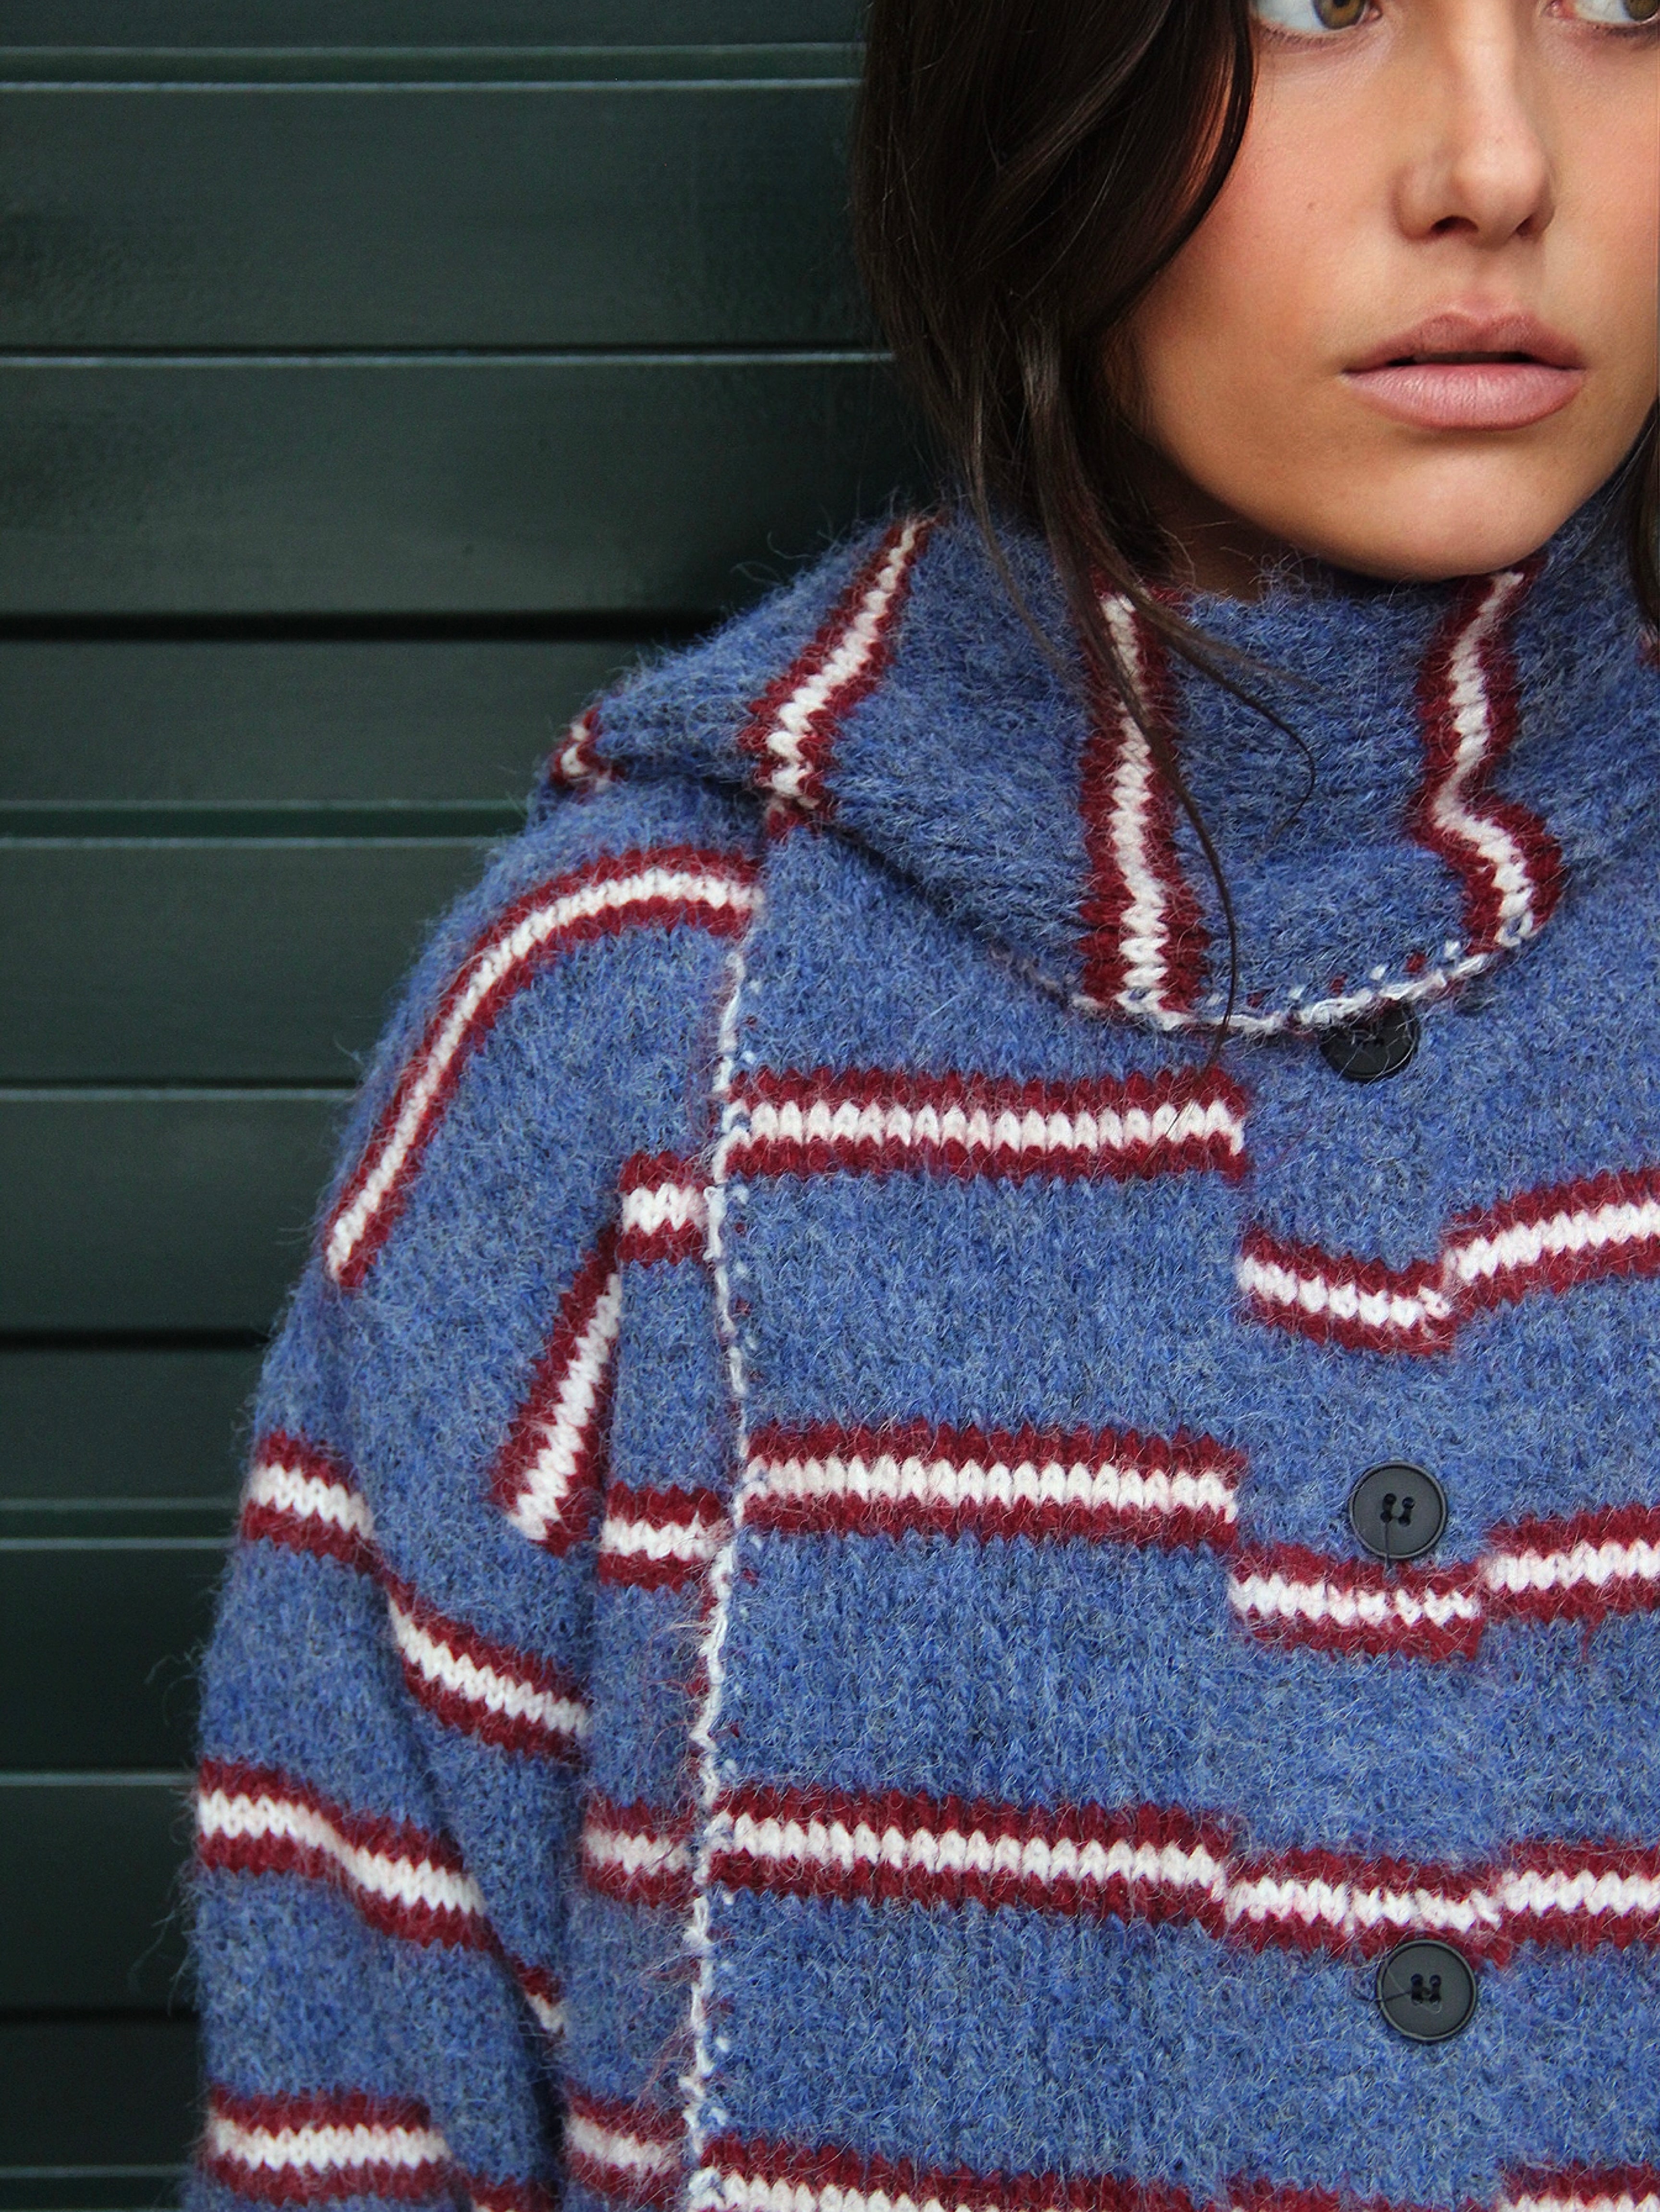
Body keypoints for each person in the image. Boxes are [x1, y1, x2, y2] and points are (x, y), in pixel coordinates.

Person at [187, 0, 1660, 2206]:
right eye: (1315, 4)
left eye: (1622, 4)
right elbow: (354, 2118)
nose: (1496, 165)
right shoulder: (637, 1018)